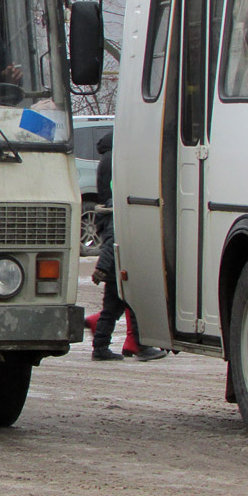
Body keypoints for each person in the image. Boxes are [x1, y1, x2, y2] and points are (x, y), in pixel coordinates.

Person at [89, 131, 167, 361]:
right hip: (120, 258)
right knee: (127, 302)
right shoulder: (117, 166)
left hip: (117, 257)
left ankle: (103, 347)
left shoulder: (107, 159)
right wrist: (102, 267)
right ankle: (137, 346)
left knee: (115, 305)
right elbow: (114, 236)